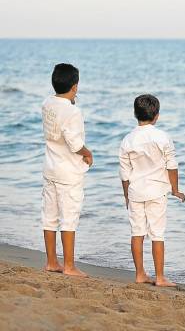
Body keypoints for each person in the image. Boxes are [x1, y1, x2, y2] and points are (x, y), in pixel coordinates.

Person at [119, 94, 185, 286]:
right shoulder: (162, 137)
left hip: (135, 191)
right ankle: (160, 277)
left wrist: (126, 196)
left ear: (134, 114)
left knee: (137, 233)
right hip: (157, 192)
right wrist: (175, 189)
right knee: (157, 234)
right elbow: (172, 165)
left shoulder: (128, 140)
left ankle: (140, 274)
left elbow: (125, 173)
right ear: (156, 115)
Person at [41, 63, 93, 277]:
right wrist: (87, 153)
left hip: (50, 168)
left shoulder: (47, 103)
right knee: (69, 217)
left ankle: (52, 262)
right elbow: (74, 143)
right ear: (75, 86)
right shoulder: (73, 111)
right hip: (68, 172)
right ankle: (69, 265)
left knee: (49, 216)